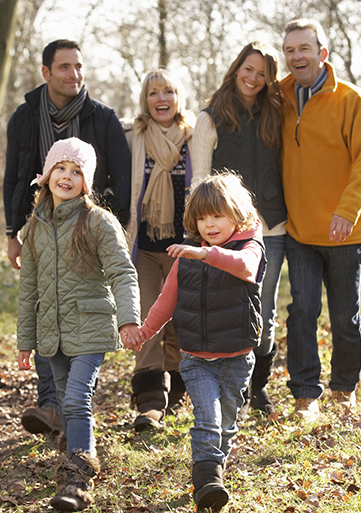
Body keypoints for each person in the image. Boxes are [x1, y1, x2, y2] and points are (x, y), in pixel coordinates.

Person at [4, 39, 132, 435]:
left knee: (74, 306)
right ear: (46, 72)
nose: (74, 74)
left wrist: (110, 223)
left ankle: (69, 418)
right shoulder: (24, 118)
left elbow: (123, 178)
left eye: (79, 66)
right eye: (64, 67)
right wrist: (14, 232)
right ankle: (52, 406)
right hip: (40, 224)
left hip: (88, 224)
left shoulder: (103, 118)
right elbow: (12, 177)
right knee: (47, 301)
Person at [123, 172, 266, 513]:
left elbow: (246, 267)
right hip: (196, 358)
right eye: (202, 218)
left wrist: (206, 256)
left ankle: (216, 467)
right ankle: (205, 481)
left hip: (237, 356)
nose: (209, 225)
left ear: (237, 215)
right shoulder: (187, 256)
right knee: (207, 417)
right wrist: (144, 332)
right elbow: (165, 301)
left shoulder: (250, 246)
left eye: (217, 216)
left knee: (227, 422)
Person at [16, 138, 141, 511]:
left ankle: (77, 479)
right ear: (47, 174)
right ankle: (69, 460)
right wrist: (26, 340)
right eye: (61, 168)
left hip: (91, 326)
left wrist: (129, 319)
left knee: (75, 399)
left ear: (86, 182)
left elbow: (122, 272)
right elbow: (28, 288)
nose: (67, 177)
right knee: (64, 398)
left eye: (77, 172)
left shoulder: (98, 221)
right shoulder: (35, 227)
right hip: (52, 331)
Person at [280, 19, 361, 421]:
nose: (296, 56)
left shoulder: (352, 100)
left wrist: (347, 210)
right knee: (302, 310)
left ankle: (343, 390)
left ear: (322, 54)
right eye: (290, 50)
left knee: (344, 315)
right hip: (300, 229)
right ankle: (305, 395)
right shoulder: (280, 97)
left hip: (345, 228)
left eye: (304, 48)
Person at [191, 41, 285, 418]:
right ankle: (234, 388)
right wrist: (201, 231)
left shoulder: (275, 114)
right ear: (236, 69)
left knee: (265, 311)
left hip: (273, 227)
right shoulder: (210, 117)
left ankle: (258, 385)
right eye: (249, 69)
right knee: (233, 310)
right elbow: (199, 180)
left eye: (262, 73)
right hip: (229, 233)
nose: (254, 78)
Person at [125, 69, 206, 431]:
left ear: (179, 97)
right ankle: (150, 401)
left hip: (185, 245)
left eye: (168, 91)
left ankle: (174, 394)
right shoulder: (132, 136)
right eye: (153, 92)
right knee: (147, 319)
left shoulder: (194, 138)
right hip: (143, 245)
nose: (161, 98)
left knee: (179, 322)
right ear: (145, 99)